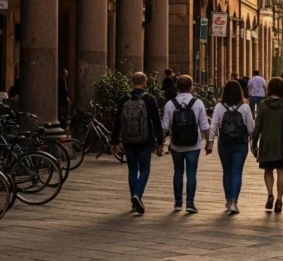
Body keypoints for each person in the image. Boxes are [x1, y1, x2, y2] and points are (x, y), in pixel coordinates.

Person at [109, 72, 165, 215]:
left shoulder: (124, 99)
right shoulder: (150, 99)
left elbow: (117, 122)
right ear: (145, 82)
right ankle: (137, 195)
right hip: (145, 140)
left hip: (128, 140)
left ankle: (134, 202)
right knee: (145, 170)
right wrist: (160, 142)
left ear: (131, 82)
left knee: (132, 170)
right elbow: (156, 122)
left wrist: (114, 142)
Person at [161, 75, 210, 213]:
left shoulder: (170, 104)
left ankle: (177, 203)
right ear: (191, 86)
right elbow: (204, 124)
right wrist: (209, 142)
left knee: (178, 172)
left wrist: (160, 142)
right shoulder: (198, 103)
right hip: (194, 145)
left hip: (176, 144)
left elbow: (165, 126)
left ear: (177, 87)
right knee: (191, 173)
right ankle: (190, 203)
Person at [251, 77, 283, 214]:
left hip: (267, 142)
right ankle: (279, 199)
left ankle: (270, 194)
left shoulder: (263, 104)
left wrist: (254, 143)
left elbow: (257, 126)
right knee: (281, 170)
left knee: (268, 170)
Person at [208, 81, 254, 214]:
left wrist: (210, 142)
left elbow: (214, 125)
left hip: (224, 143)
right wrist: (253, 142)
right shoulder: (245, 108)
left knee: (227, 171)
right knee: (237, 172)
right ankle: (234, 201)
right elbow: (251, 128)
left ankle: (228, 200)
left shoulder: (219, 107)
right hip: (241, 143)